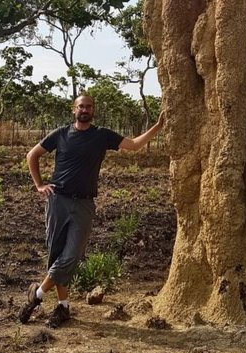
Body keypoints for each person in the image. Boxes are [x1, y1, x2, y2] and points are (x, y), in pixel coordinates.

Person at [18, 93, 164, 328]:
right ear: (73, 110)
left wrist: (157, 127)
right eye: (81, 106)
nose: (85, 110)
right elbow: (32, 155)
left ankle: (37, 294)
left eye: (89, 107)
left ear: (93, 110)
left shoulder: (102, 135)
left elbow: (135, 146)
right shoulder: (61, 134)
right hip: (58, 200)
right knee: (56, 254)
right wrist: (39, 185)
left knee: (71, 255)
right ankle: (63, 307)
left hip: (85, 203)